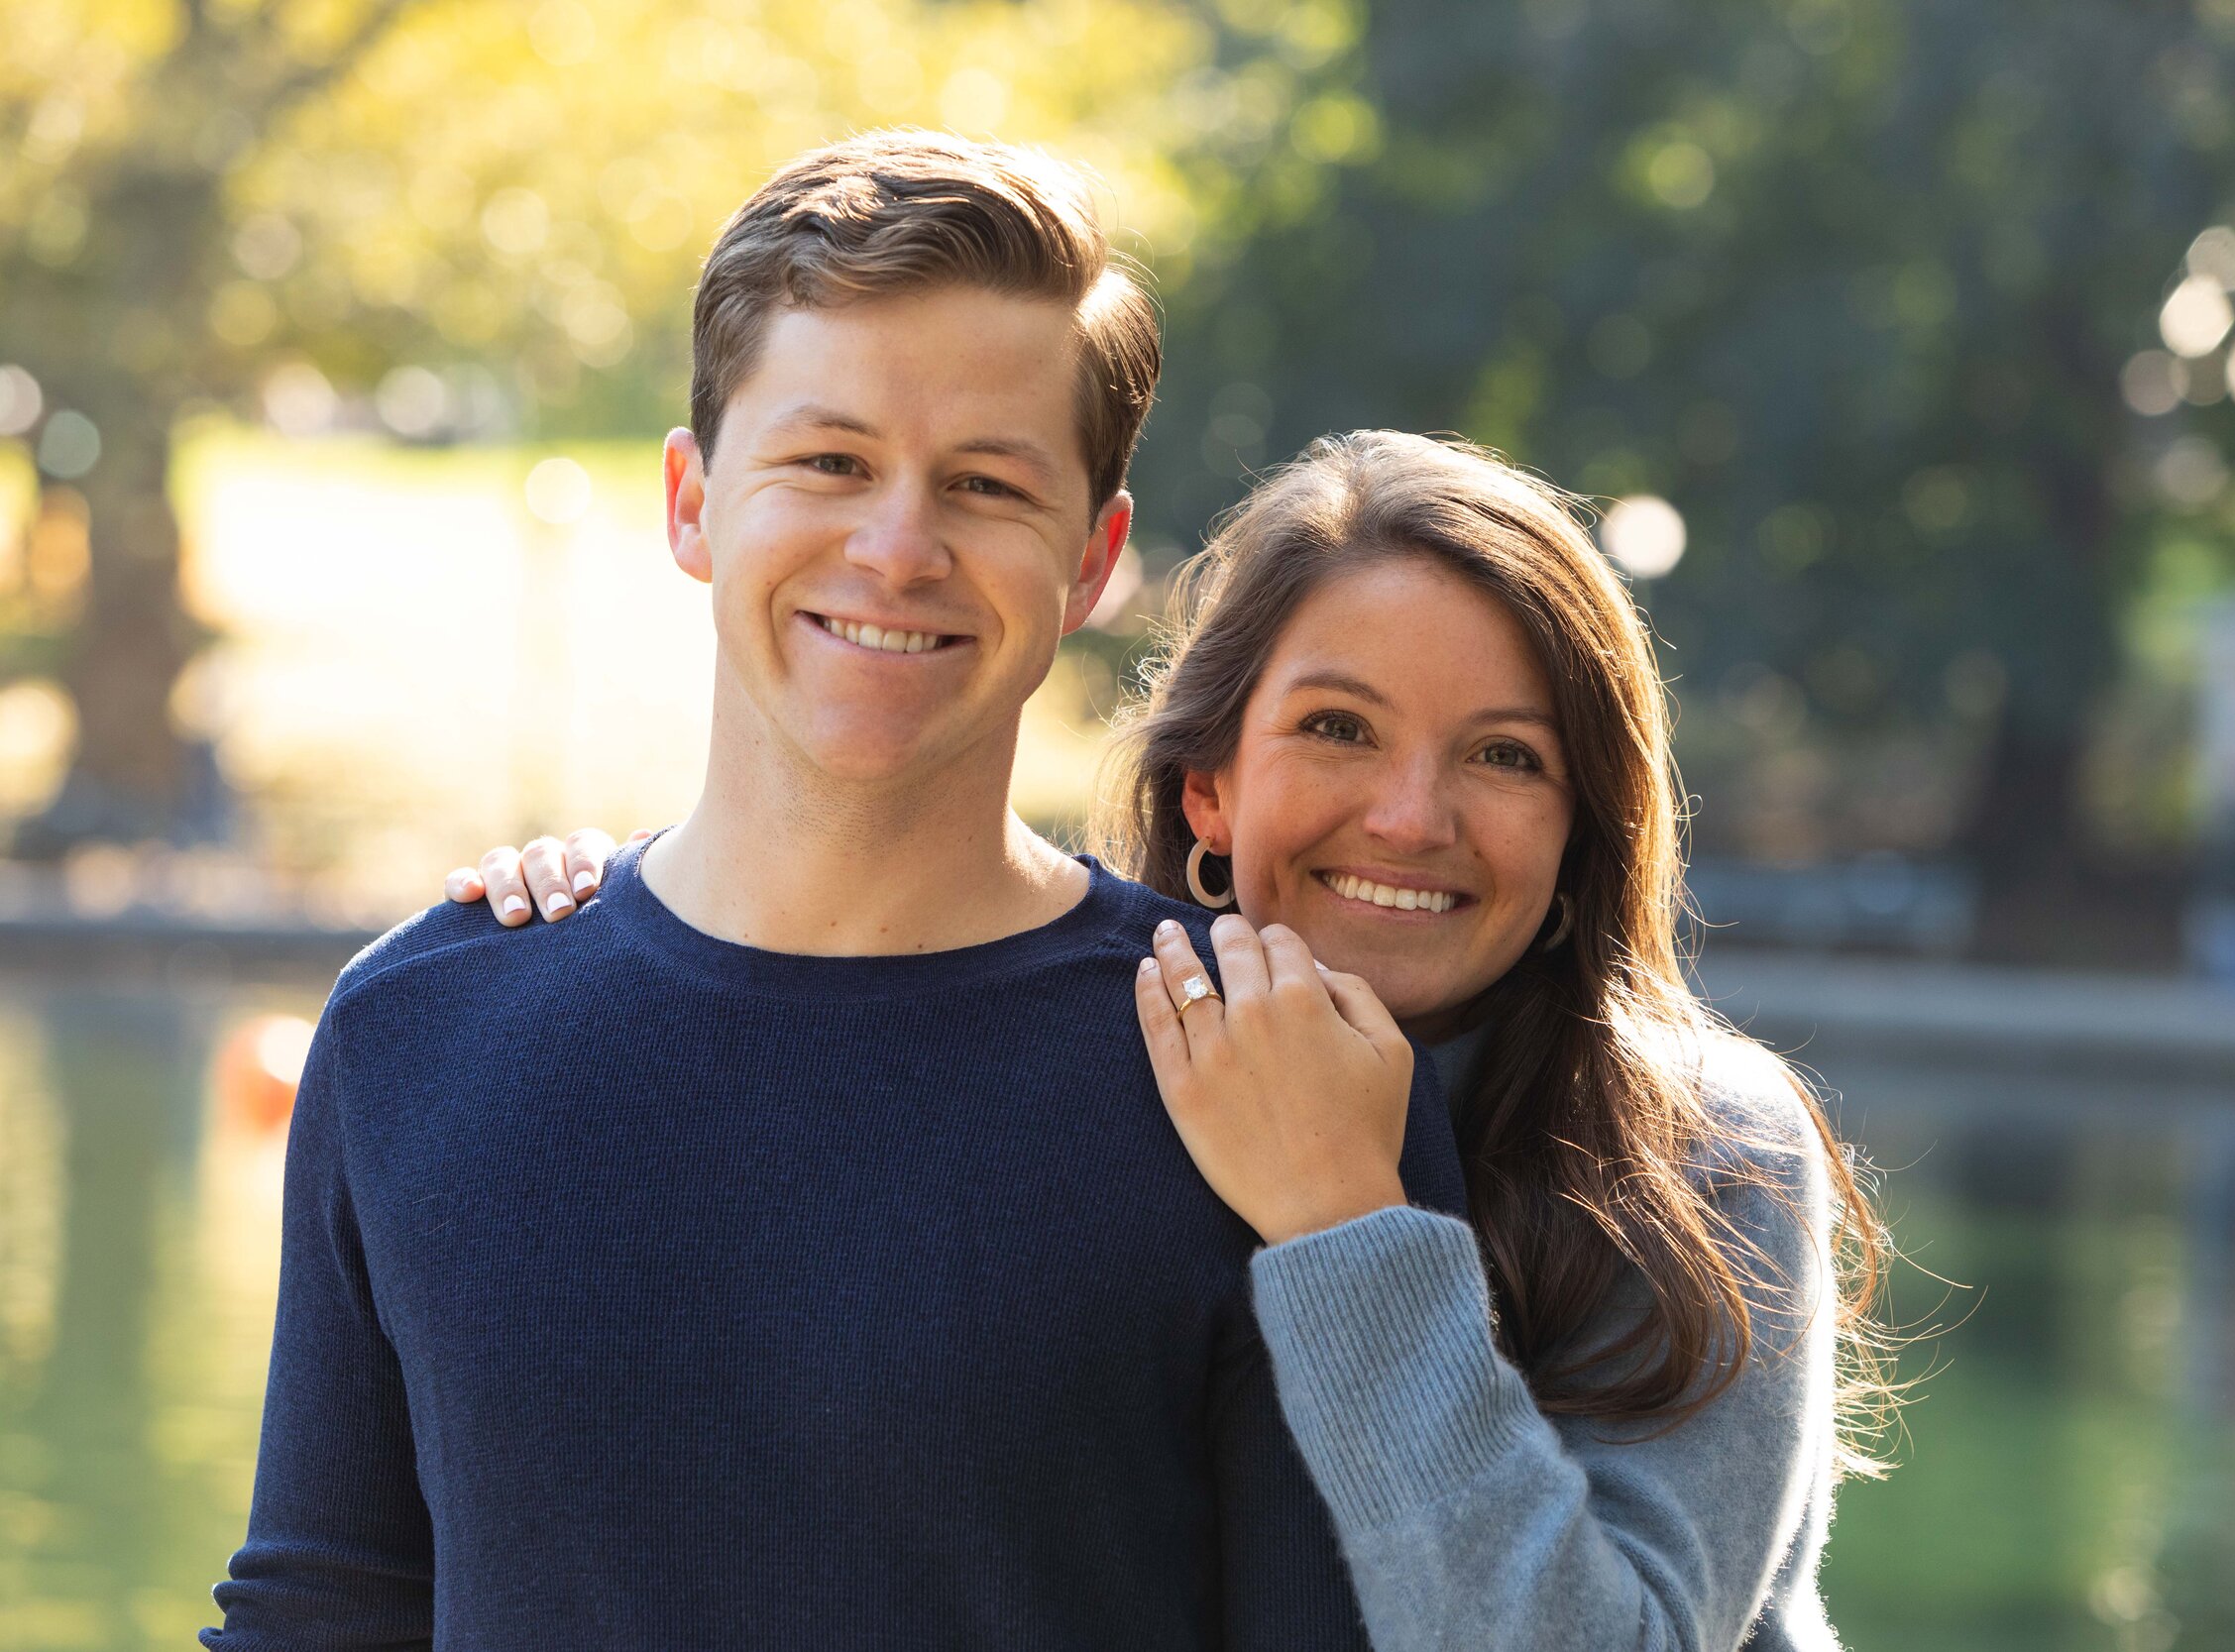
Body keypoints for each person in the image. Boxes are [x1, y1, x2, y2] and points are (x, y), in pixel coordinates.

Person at [205, 134, 1469, 1651]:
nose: (896, 548)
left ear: (1094, 560)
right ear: (691, 500)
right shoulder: (419, 1028)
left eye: (987, 484)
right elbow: (318, 1617)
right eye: (829, 462)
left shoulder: (1272, 1073)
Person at [458, 430, 1894, 1650]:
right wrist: (610, 919)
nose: (1411, 817)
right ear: (1209, 789)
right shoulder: (1081, 1063)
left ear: (1585, 825)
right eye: (1338, 729)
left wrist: (1346, 1218)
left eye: (1506, 756)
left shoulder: (1702, 1149)